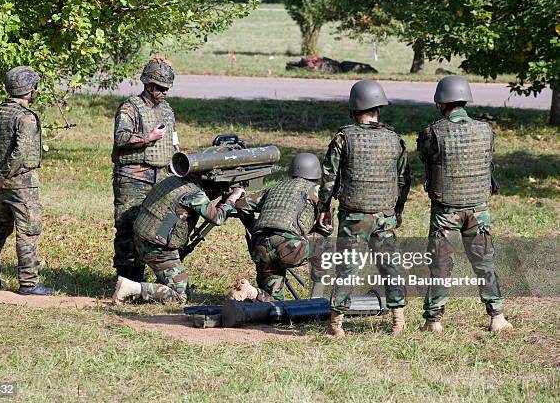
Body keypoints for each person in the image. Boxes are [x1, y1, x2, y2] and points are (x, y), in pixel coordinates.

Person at [417, 76, 512, 332]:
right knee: (484, 263)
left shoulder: (432, 132)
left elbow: (424, 157)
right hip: (478, 210)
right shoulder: (485, 130)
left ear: (441, 103)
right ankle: (497, 317)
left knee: (440, 264)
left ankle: (433, 321)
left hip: (446, 212)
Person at [317, 80, 411, 337]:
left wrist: (323, 208)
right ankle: (398, 321)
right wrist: (397, 210)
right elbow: (403, 180)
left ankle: (336, 325)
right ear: (378, 107)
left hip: (354, 216)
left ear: (354, 107)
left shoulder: (343, 138)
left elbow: (328, 178)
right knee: (390, 266)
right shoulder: (395, 139)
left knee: (347, 268)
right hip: (385, 216)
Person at [112, 173, 244, 304]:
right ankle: (132, 288)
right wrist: (234, 196)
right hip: (158, 250)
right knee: (181, 296)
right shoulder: (194, 194)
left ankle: (159, 284)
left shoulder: (172, 180)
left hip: (143, 237)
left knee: (179, 284)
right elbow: (217, 218)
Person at [0, 66, 54, 295]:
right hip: (22, 183)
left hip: (0, 184)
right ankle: (29, 283)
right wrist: (1, 176)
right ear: (30, 90)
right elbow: (21, 152)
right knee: (28, 231)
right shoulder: (25, 118)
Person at [228, 153, 331, 302]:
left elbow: (242, 205)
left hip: (260, 246)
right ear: (317, 172)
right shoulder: (317, 191)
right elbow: (327, 227)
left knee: (274, 302)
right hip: (289, 248)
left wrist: (254, 227)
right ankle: (319, 300)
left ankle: (253, 293)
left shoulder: (275, 188)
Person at [111, 57, 179, 282]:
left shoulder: (167, 110)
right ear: (148, 86)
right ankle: (125, 277)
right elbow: (120, 137)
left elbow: (173, 141)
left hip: (161, 178)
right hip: (133, 177)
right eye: (160, 88)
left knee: (150, 228)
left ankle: (140, 278)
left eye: (167, 89)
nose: (164, 93)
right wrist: (147, 138)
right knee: (127, 226)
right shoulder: (130, 107)